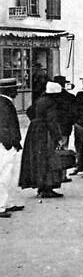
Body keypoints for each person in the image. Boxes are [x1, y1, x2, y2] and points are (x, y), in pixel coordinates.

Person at [19, 81, 64, 198]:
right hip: (45, 132)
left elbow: (29, 111)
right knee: (48, 158)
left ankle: (41, 186)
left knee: (37, 159)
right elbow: (52, 121)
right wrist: (58, 137)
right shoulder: (52, 103)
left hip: (34, 130)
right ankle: (47, 188)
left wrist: (36, 121)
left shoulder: (40, 100)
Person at [0, 78, 24, 217]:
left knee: (8, 175)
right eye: (14, 88)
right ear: (6, 90)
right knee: (4, 175)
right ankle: (1, 206)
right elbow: (3, 126)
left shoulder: (5, 102)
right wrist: (9, 143)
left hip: (6, 144)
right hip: (5, 145)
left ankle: (7, 202)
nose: (17, 91)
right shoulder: (4, 104)